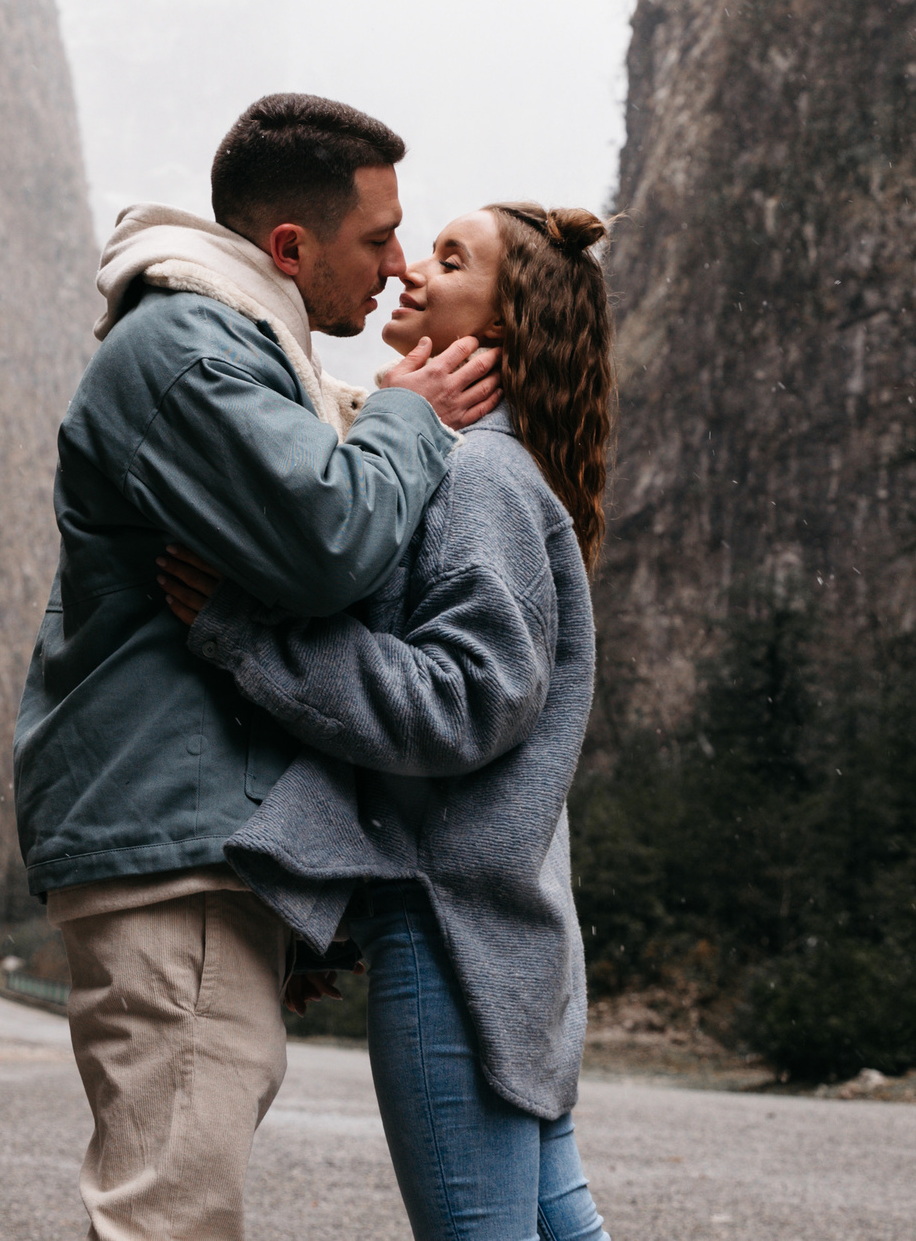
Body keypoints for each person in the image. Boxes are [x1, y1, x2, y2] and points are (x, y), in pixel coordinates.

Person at [14, 94, 502, 1241]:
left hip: (184, 838)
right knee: (169, 1215)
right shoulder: (190, 353)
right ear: (289, 246)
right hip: (171, 851)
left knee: (168, 1195)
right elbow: (326, 542)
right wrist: (408, 418)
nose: (395, 265)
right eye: (377, 238)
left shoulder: (232, 347)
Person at [160, 201, 616, 1241]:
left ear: (500, 328)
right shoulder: (479, 467)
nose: (411, 270)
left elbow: (464, 701)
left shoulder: (478, 476)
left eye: (451, 262)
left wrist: (247, 637)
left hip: (450, 935)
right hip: (496, 930)